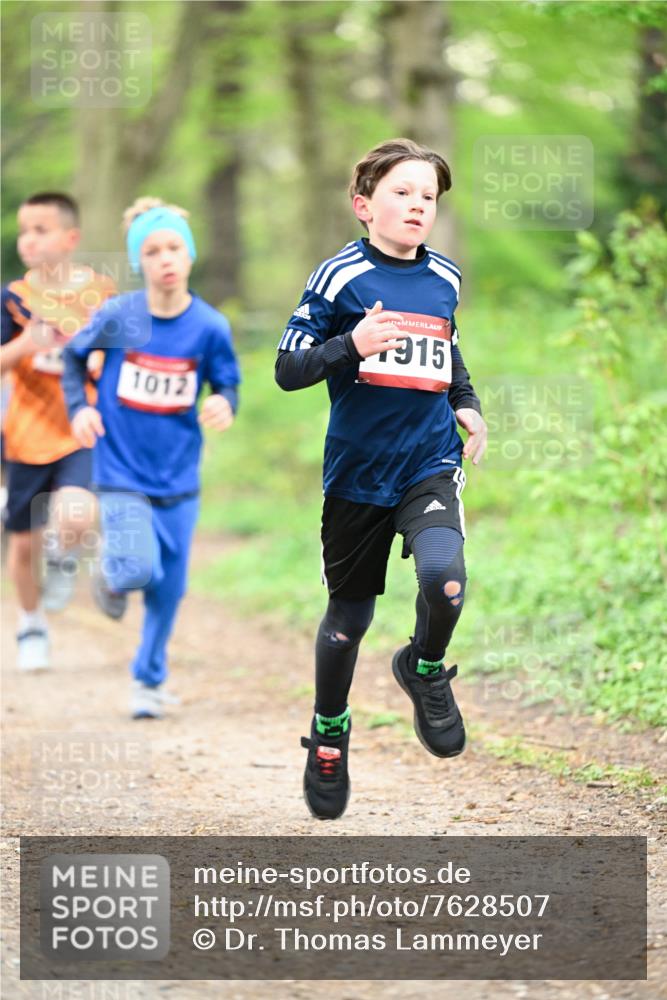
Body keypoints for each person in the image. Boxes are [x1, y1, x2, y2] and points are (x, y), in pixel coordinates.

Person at [275, 138, 488, 820]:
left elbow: (446, 350)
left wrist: (467, 404)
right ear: (364, 205)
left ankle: (424, 667)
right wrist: (350, 346)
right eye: (402, 193)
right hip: (357, 475)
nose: (417, 206)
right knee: (349, 618)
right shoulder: (339, 277)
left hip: (428, 462)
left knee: (443, 579)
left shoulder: (445, 278)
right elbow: (288, 367)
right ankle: (330, 734)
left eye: (427, 197)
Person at [62, 197, 240, 719]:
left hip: (180, 477)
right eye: (153, 250)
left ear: (189, 256)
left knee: (170, 588)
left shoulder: (210, 327)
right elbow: (74, 359)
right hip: (121, 472)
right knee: (139, 567)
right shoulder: (120, 316)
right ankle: (113, 575)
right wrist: (79, 409)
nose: (165, 258)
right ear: (140, 261)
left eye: (174, 248)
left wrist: (223, 403)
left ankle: (148, 680)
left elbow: (227, 383)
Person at [1, 192, 116, 671]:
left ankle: (67, 556)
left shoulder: (103, 295)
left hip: (80, 424)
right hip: (26, 433)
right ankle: (31, 623)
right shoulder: (14, 299)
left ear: (70, 239)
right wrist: (27, 344)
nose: (29, 240)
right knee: (23, 544)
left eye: (40, 230)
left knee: (74, 515)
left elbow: (120, 359)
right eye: (24, 230)